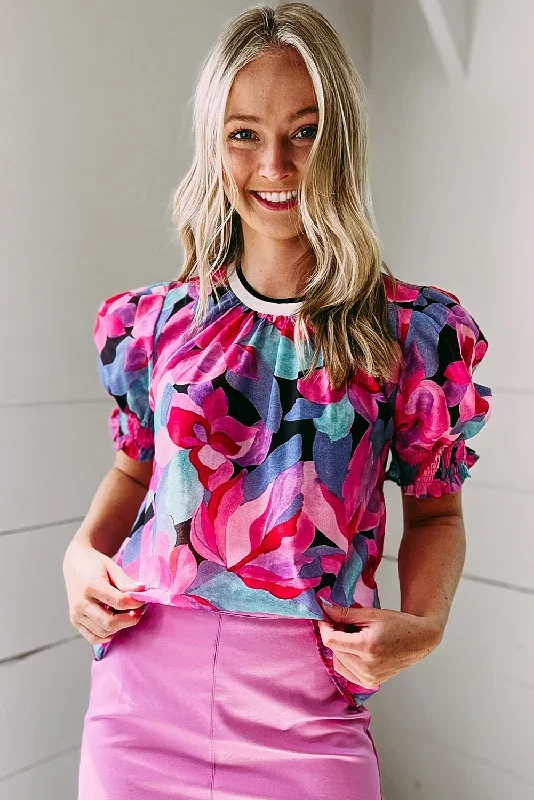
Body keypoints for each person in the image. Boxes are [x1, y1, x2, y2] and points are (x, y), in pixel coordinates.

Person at [63, 4, 493, 799]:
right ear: (212, 143)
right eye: (243, 134)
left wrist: (425, 626)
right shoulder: (155, 323)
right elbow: (132, 473)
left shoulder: (415, 333)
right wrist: (80, 555)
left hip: (310, 716)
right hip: (141, 701)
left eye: (304, 130)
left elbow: (437, 513)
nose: (276, 164)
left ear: (342, 138)